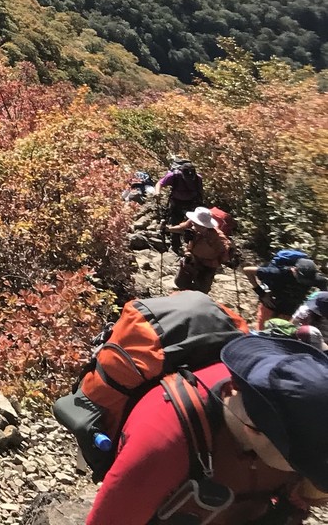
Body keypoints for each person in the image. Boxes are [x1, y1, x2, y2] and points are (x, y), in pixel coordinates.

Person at [85, 334, 328, 525]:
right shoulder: (159, 447)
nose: (306, 471)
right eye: (300, 463)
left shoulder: (291, 420)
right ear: (254, 431)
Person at [244, 251, 323, 331]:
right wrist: (261, 293)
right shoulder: (280, 272)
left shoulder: (314, 278)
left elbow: (324, 288)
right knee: (262, 333)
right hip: (271, 305)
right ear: (294, 269)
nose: (303, 282)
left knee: (281, 335)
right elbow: (247, 270)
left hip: (290, 310)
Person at [168, 207, 233, 295]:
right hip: (191, 258)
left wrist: (229, 260)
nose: (193, 226)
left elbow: (225, 249)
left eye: (196, 224)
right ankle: (185, 295)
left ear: (204, 226)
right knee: (180, 282)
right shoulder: (192, 224)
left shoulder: (216, 237)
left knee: (201, 291)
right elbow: (181, 228)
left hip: (208, 265)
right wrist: (168, 229)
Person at [158, 157, 205, 250]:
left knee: (191, 224)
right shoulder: (173, 176)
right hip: (176, 201)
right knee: (175, 221)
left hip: (192, 202)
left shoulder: (198, 178)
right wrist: (157, 193)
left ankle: (190, 247)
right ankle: (175, 245)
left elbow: (200, 191)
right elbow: (160, 183)